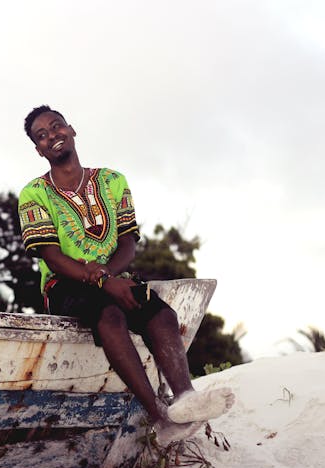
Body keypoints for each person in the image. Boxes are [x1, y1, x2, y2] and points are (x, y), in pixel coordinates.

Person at [17, 105, 234, 444]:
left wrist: (110, 275)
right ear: (38, 149)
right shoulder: (34, 194)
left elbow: (128, 242)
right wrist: (103, 282)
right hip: (65, 284)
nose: (52, 136)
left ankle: (186, 397)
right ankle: (159, 417)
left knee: (159, 313)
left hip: (115, 276)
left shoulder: (112, 181)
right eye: (41, 135)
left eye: (56, 127)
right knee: (111, 315)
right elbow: (52, 256)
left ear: (72, 130)